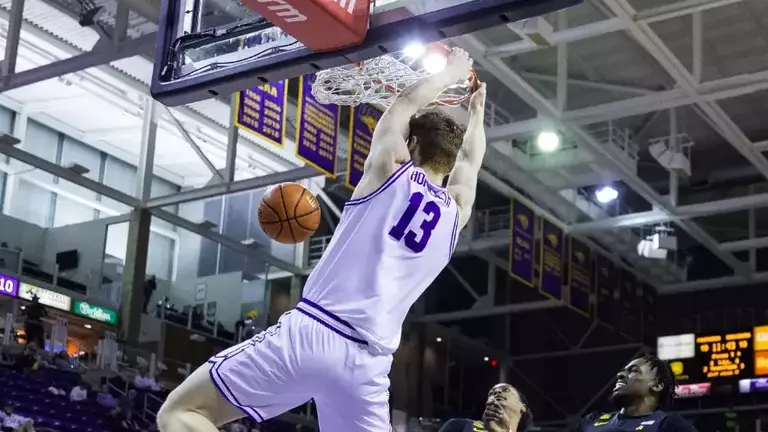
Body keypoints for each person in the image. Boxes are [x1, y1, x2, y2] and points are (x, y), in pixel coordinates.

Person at [157, 47, 487, 432]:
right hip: (369, 365)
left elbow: (405, 101)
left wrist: (450, 74)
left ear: (411, 145)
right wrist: (476, 113)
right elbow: (471, 162)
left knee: (180, 413)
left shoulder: (390, 168)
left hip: (316, 331)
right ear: (447, 166)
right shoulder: (455, 213)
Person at [575, 355, 697, 432]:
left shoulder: (670, 425)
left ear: (657, 385)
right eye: (623, 371)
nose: (620, 375)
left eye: (633, 371)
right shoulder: (590, 421)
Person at [439, 383, 533, 432]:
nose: (496, 393)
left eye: (506, 390)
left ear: (522, 407)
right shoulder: (459, 425)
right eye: (492, 393)